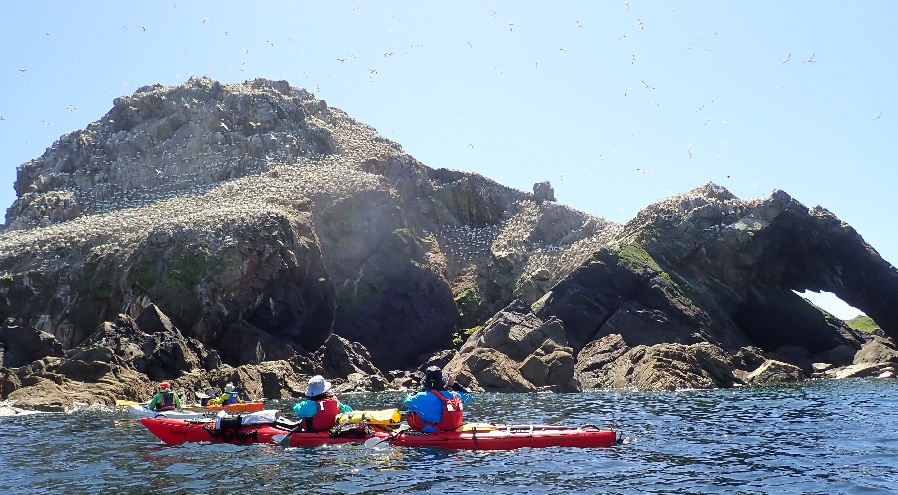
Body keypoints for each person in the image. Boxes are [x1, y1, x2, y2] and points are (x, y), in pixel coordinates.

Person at [402, 366, 473, 433]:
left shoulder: (419, 397)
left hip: (429, 431)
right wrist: (454, 384)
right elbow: (469, 398)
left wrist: (420, 390)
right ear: (442, 381)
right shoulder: (455, 395)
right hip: (450, 429)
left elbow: (405, 401)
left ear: (425, 382)